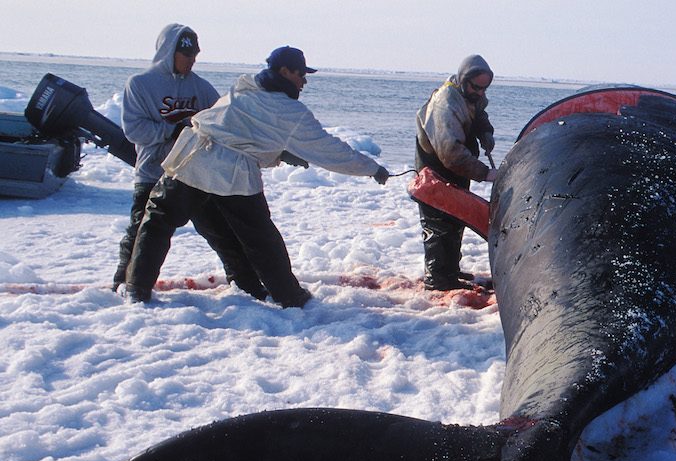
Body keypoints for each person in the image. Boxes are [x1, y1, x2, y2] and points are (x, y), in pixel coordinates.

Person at [125, 46, 390, 307]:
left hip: (191, 160)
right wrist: (371, 168)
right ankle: (288, 296)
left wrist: (279, 154)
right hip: (232, 173)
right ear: (285, 71)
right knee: (260, 238)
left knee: (158, 221)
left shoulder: (244, 88)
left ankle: (137, 289)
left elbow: (237, 129)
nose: (304, 81)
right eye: (301, 74)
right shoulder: (290, 112)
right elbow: (330, 151)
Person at [113, 23, 266, 301]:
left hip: (195, 174)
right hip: (153, 173)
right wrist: (174, 130)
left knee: (222, 233)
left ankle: (246, 285)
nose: (192, 60)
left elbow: (221, 124)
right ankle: (125, 285)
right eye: (187, 55)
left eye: (195, 55)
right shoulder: (139, 84)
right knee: (141, 232)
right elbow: (135, 130)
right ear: (169, 51)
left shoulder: (202, 88)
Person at [415, 55, 497, 291]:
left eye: (484, 88)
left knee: (455, 220)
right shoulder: (446, 104)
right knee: (438, 223)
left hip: (458, 171)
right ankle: (438, 278)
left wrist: (486, 132)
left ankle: (450, 269)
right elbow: (450, 153)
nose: (480, 92)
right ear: (464, 79)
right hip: (436, 172)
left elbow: (480, 113)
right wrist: (484, 173)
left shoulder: (471, 95)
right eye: (476, 87)